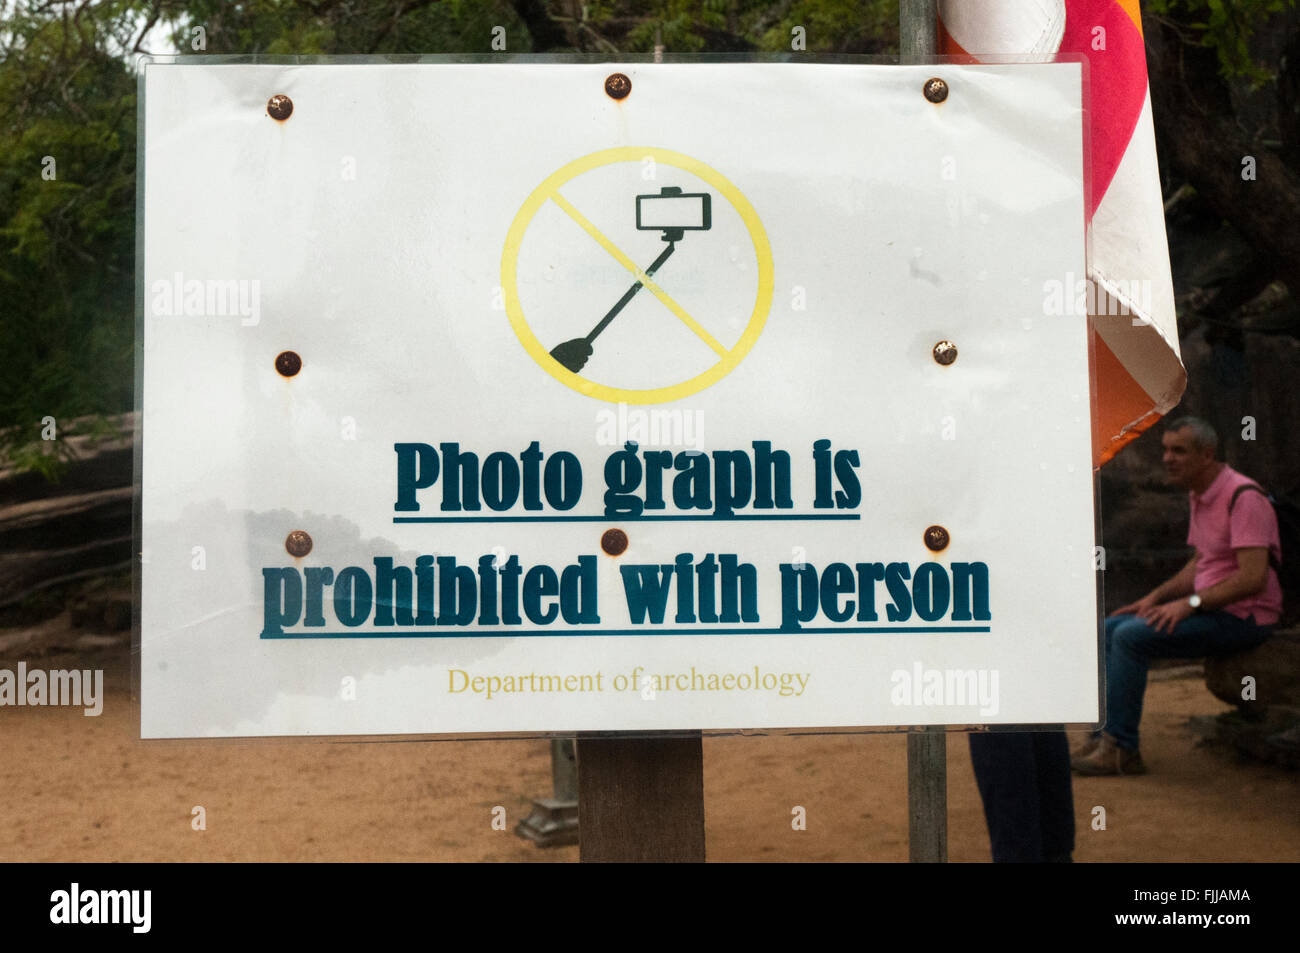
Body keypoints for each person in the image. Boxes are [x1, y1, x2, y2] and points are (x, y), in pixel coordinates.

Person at [1072, 416, 1282, 776]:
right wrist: (1153, 599)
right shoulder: (1200, 493)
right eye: (1166, 449)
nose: (1168, 458)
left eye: (1179, 451)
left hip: (1246, 617)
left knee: (1130, 638)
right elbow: (1201, 563)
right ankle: (1103, 737)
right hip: (1211, 610)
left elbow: (1252, 578)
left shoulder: (1244, 497)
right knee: (1110, 627)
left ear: (1207, 455)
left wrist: (1190, 605)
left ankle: (1122, 748)